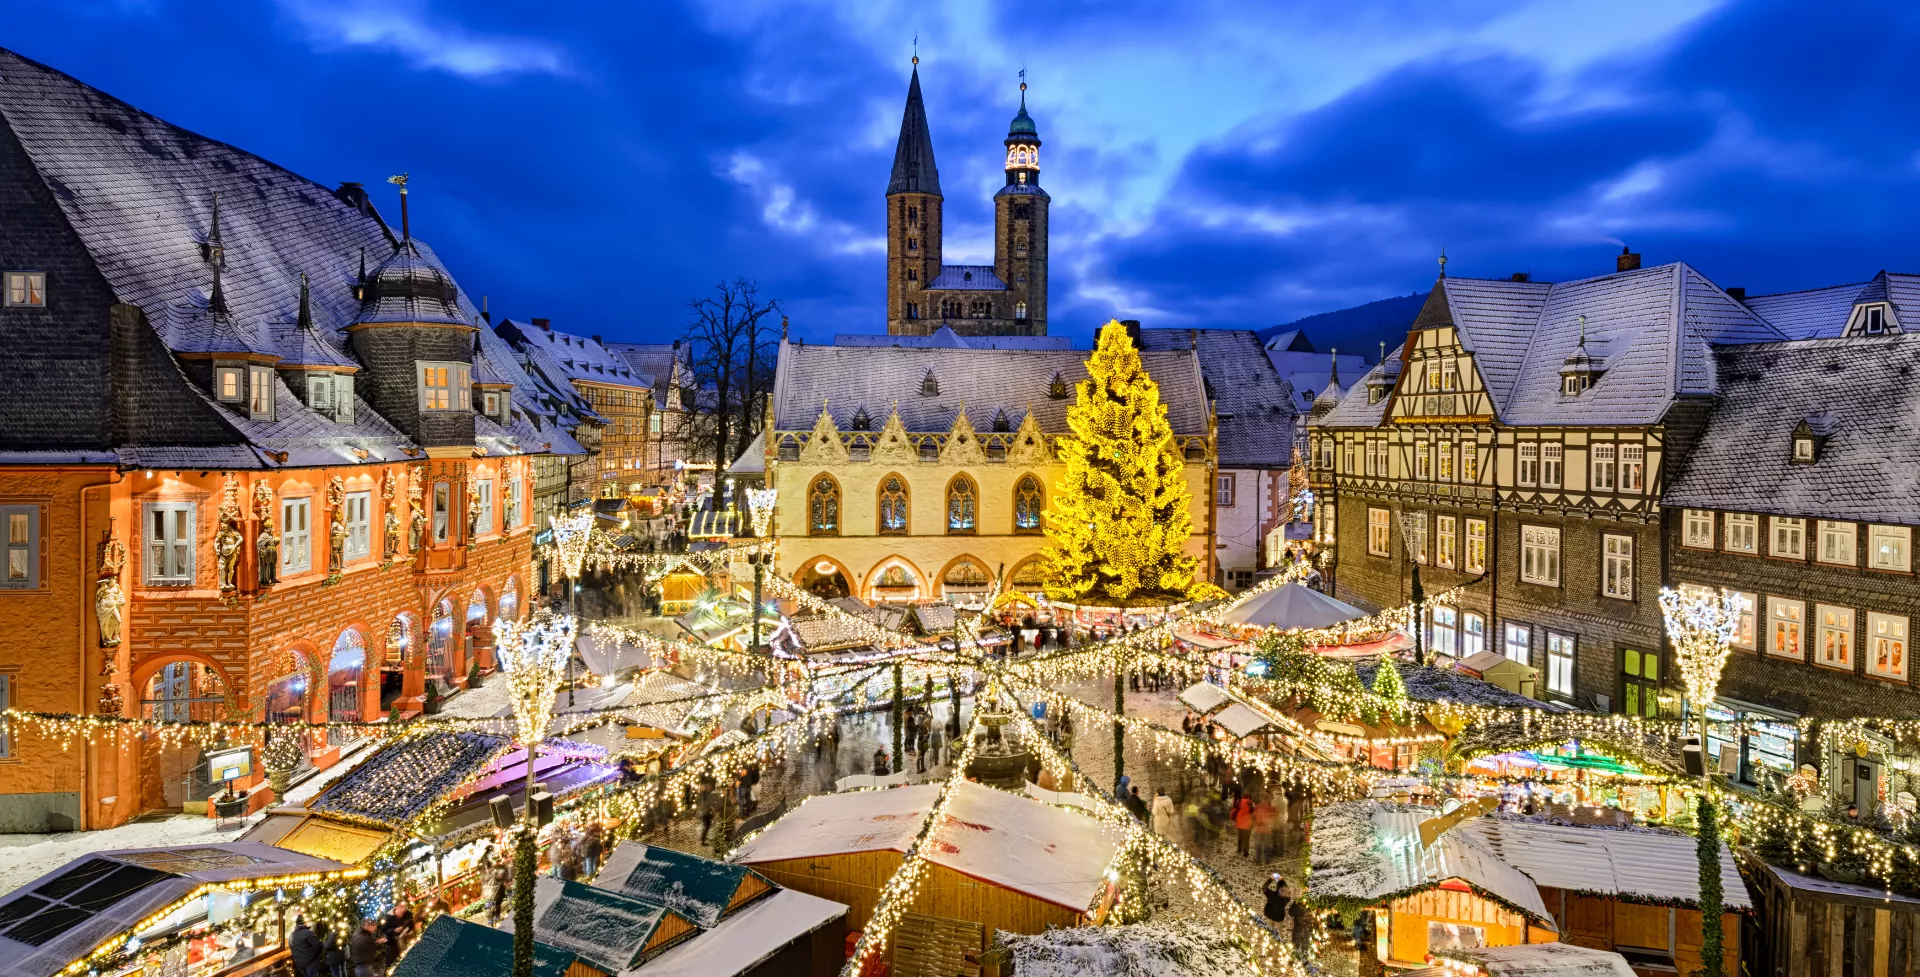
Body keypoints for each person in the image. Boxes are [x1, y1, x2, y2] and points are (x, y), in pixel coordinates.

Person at [1252, 796, 1279, 864]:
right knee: (1267, 845)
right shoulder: (1272, 808)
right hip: (1267, 829)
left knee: (1258, 845)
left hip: (1259, 829)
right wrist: (1271, 823)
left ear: (1262, 799)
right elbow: (1276, 817)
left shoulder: (1258, 807)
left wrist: (1256, 823)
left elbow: (1254, 817)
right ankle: (1267, 860)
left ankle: (1258, 860)